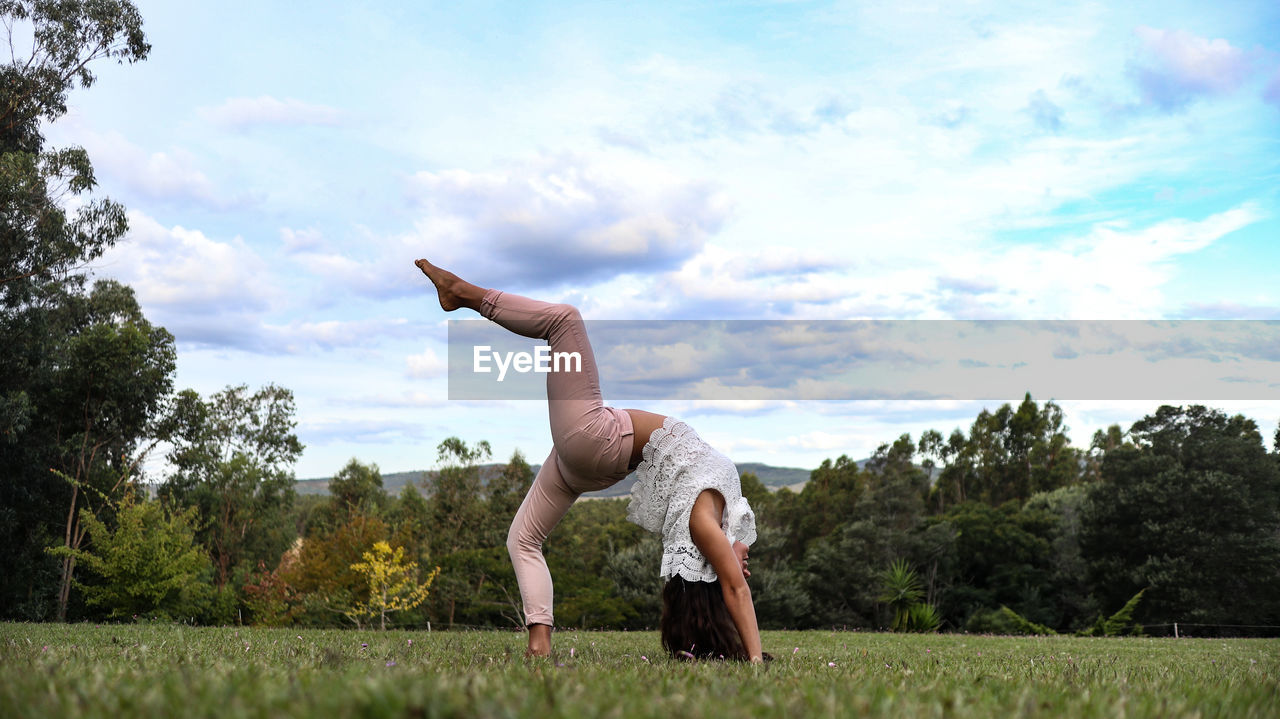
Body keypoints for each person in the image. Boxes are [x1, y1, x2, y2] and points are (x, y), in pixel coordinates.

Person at [415, 258, 766, 663]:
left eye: (735, 563)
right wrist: (733, 557)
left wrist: (755, 659)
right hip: (588, 463)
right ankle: (539, 643)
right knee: (523, 539)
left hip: (597, 439)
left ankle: (464, 295)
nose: (746, 561)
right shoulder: (724, 512)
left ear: (711, 566)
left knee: (564, 320)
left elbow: (736, 590)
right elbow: (735, 569)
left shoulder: (704, 519)